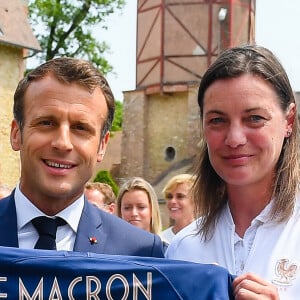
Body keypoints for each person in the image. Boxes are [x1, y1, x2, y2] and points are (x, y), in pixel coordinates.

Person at [166, 45, 300, 299]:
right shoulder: (183, 249)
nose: (235, 138)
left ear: (289, 121)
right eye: (218, 120)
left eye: (255, 118)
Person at [0, 57, 164, 258]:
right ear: (16, 134)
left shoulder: (140, 251)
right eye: (46, 123)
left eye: (80, 128)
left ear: (102, 145)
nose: (63, 143)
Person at [160, 174, 195, 243]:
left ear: (195, 201)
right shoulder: (161, 240)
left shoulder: (206, 237)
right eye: (169, 197)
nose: (172, 201)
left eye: (180, 196)